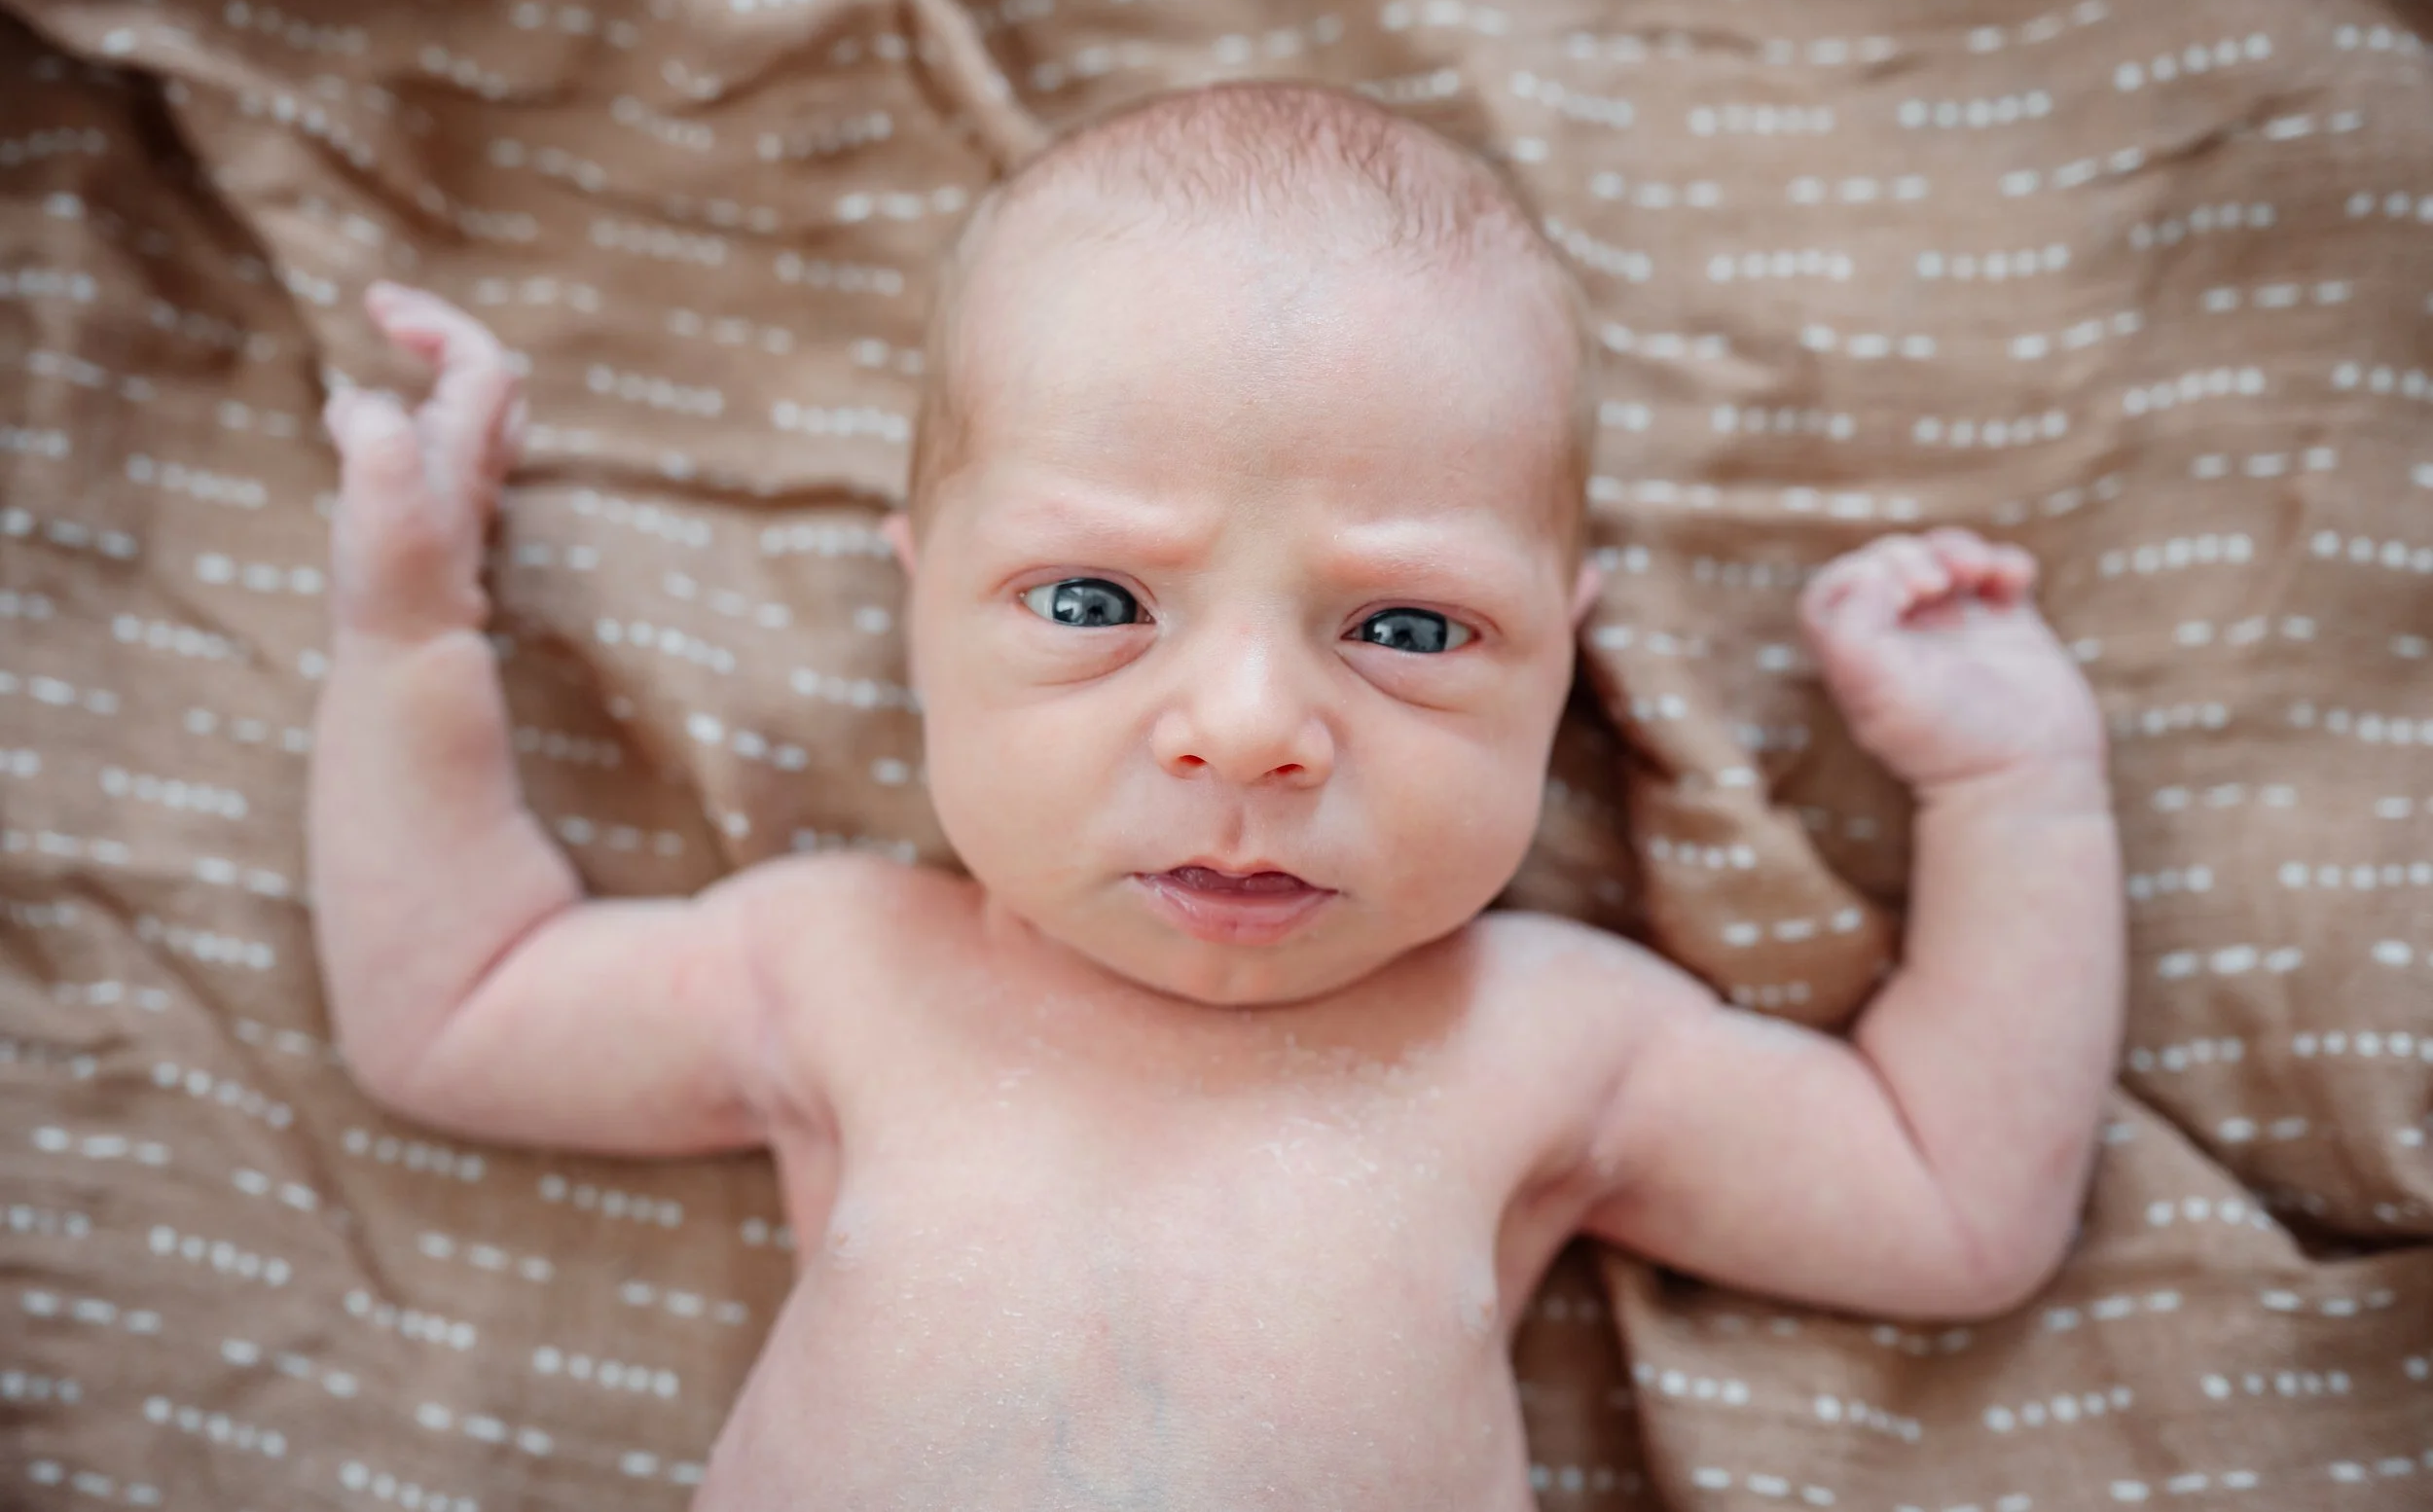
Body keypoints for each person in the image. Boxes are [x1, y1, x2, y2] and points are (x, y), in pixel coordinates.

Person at [309, 80, 2123, 1509]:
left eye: (1408, 624)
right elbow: (452, 1006)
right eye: (1093, 605)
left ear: (1563, 657)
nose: (1251, 730)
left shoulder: (1546, 1039)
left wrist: (2010, 793)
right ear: (920, 602)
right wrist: (408, 635)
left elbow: (1954, 1205)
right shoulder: (838, 968)